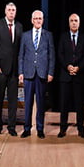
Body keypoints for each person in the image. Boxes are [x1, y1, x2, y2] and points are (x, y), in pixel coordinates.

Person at [18, 10, 55, 139]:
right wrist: (20, 72)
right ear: (32, 20)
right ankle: (27, 128)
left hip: (42, 74)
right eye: (36, 18)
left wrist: (50, 72)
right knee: (27, 103)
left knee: (41, 103)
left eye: (40, 18)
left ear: (43, 20)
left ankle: (40, 128)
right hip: (28, 74)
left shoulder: (48, 35)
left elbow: (51, 56)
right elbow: (21, 55)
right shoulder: (25, 35)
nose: (38, 21)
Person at [0, 2, 23, 136]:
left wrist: (20, 70)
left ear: (15, 12)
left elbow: (20, 49)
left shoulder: (19, 26)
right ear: (5, 11)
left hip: (14, 71)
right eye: (9, 10)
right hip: (1, 70)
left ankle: (11, 127)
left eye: (13, 10)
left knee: (13, 101)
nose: (11, 12)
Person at [57, 13, 84, 138]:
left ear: (79, 23)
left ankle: (81, 129)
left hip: (79, 76)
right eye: (72, 21)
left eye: (76, 20)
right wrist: (68, 67)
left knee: (79, 104)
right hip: (65, 76)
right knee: (64, 104)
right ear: (69, 23)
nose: (74, 23)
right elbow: (60, 54)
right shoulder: (63, 37)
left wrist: (78, 68)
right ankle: (62, 129)